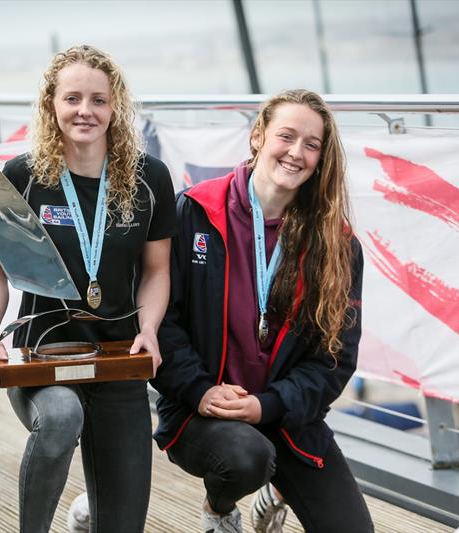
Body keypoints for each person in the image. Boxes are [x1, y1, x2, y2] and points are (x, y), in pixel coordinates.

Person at [151, 89, 374, 533]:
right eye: (286, 136)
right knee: (246, 458)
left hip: (288, 417)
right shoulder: (196, 211)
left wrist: (268, 405)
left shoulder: (337, 244)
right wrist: (199, 390)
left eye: (312, 145)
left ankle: (279, 490)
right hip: (203, 409)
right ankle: (219, 509)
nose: (297, 153)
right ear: (258, 136)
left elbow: (334, 360)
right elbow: (162, 321)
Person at [0, 44, 175, 533]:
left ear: (115, 107)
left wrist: (149, 328)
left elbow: (156, 270)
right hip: (45, 352)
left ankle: (91, 517)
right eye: (72, 98)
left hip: (118, 353)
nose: (85, 111)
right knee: (61, 418)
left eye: (98, 100)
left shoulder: (149, 179)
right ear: (51, 105)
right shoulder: (24, 176)